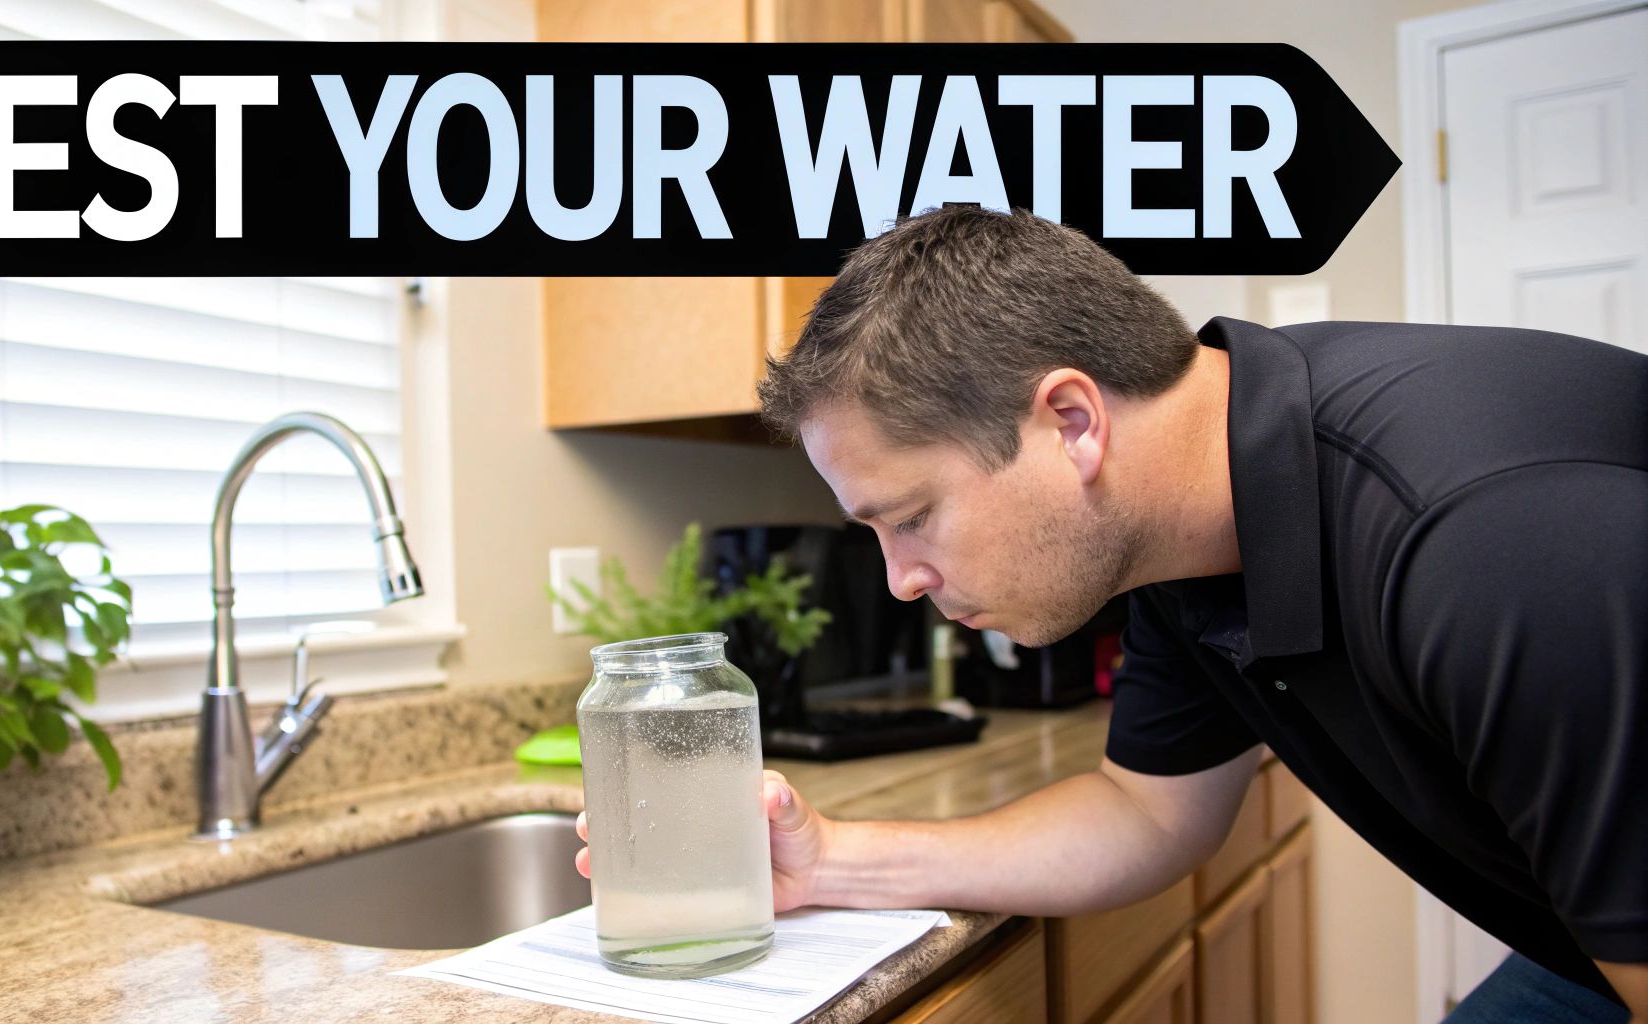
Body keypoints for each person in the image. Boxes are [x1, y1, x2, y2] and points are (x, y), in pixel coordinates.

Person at [572, 205, 1648, 1022]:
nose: (898, 577)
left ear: (1071, 422)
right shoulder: (1186, 530)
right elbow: (1145, 815)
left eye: (908, 516)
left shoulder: (1475, 545)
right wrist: (828, 862)